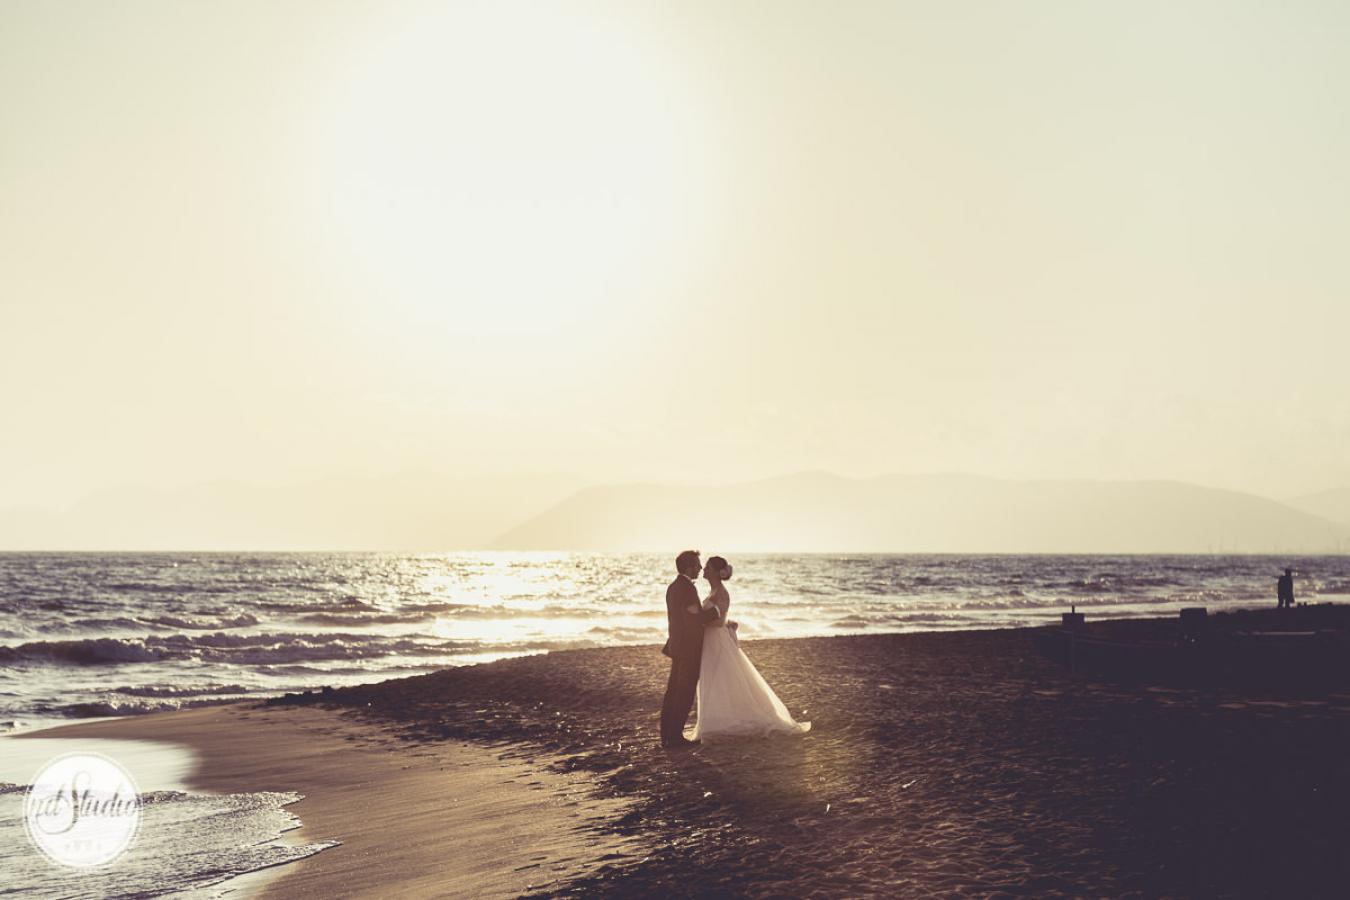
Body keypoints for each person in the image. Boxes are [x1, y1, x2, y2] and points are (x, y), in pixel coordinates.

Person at [688, 556, 810, 742]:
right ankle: (712, 721)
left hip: (717, 641)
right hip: (710, 640)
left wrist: (701, 622)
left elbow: (719, 621)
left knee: (721, 679)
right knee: (712, 679)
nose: (704, 569)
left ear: (715, 572)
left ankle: (724, 722)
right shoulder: (713, 590)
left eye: (707, 567)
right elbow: (721, 619)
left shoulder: (722, 592)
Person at [659, 550, 721, 749]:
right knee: (683, 693)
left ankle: (666, 735)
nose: (700, 568)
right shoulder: (686, 590)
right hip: (688, 648)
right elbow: (692, 620)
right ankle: (675, 737)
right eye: (697, 565)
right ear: (689, 567)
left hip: (677, 646)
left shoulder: (673, 587)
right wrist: (715, 612)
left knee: (673, 692)